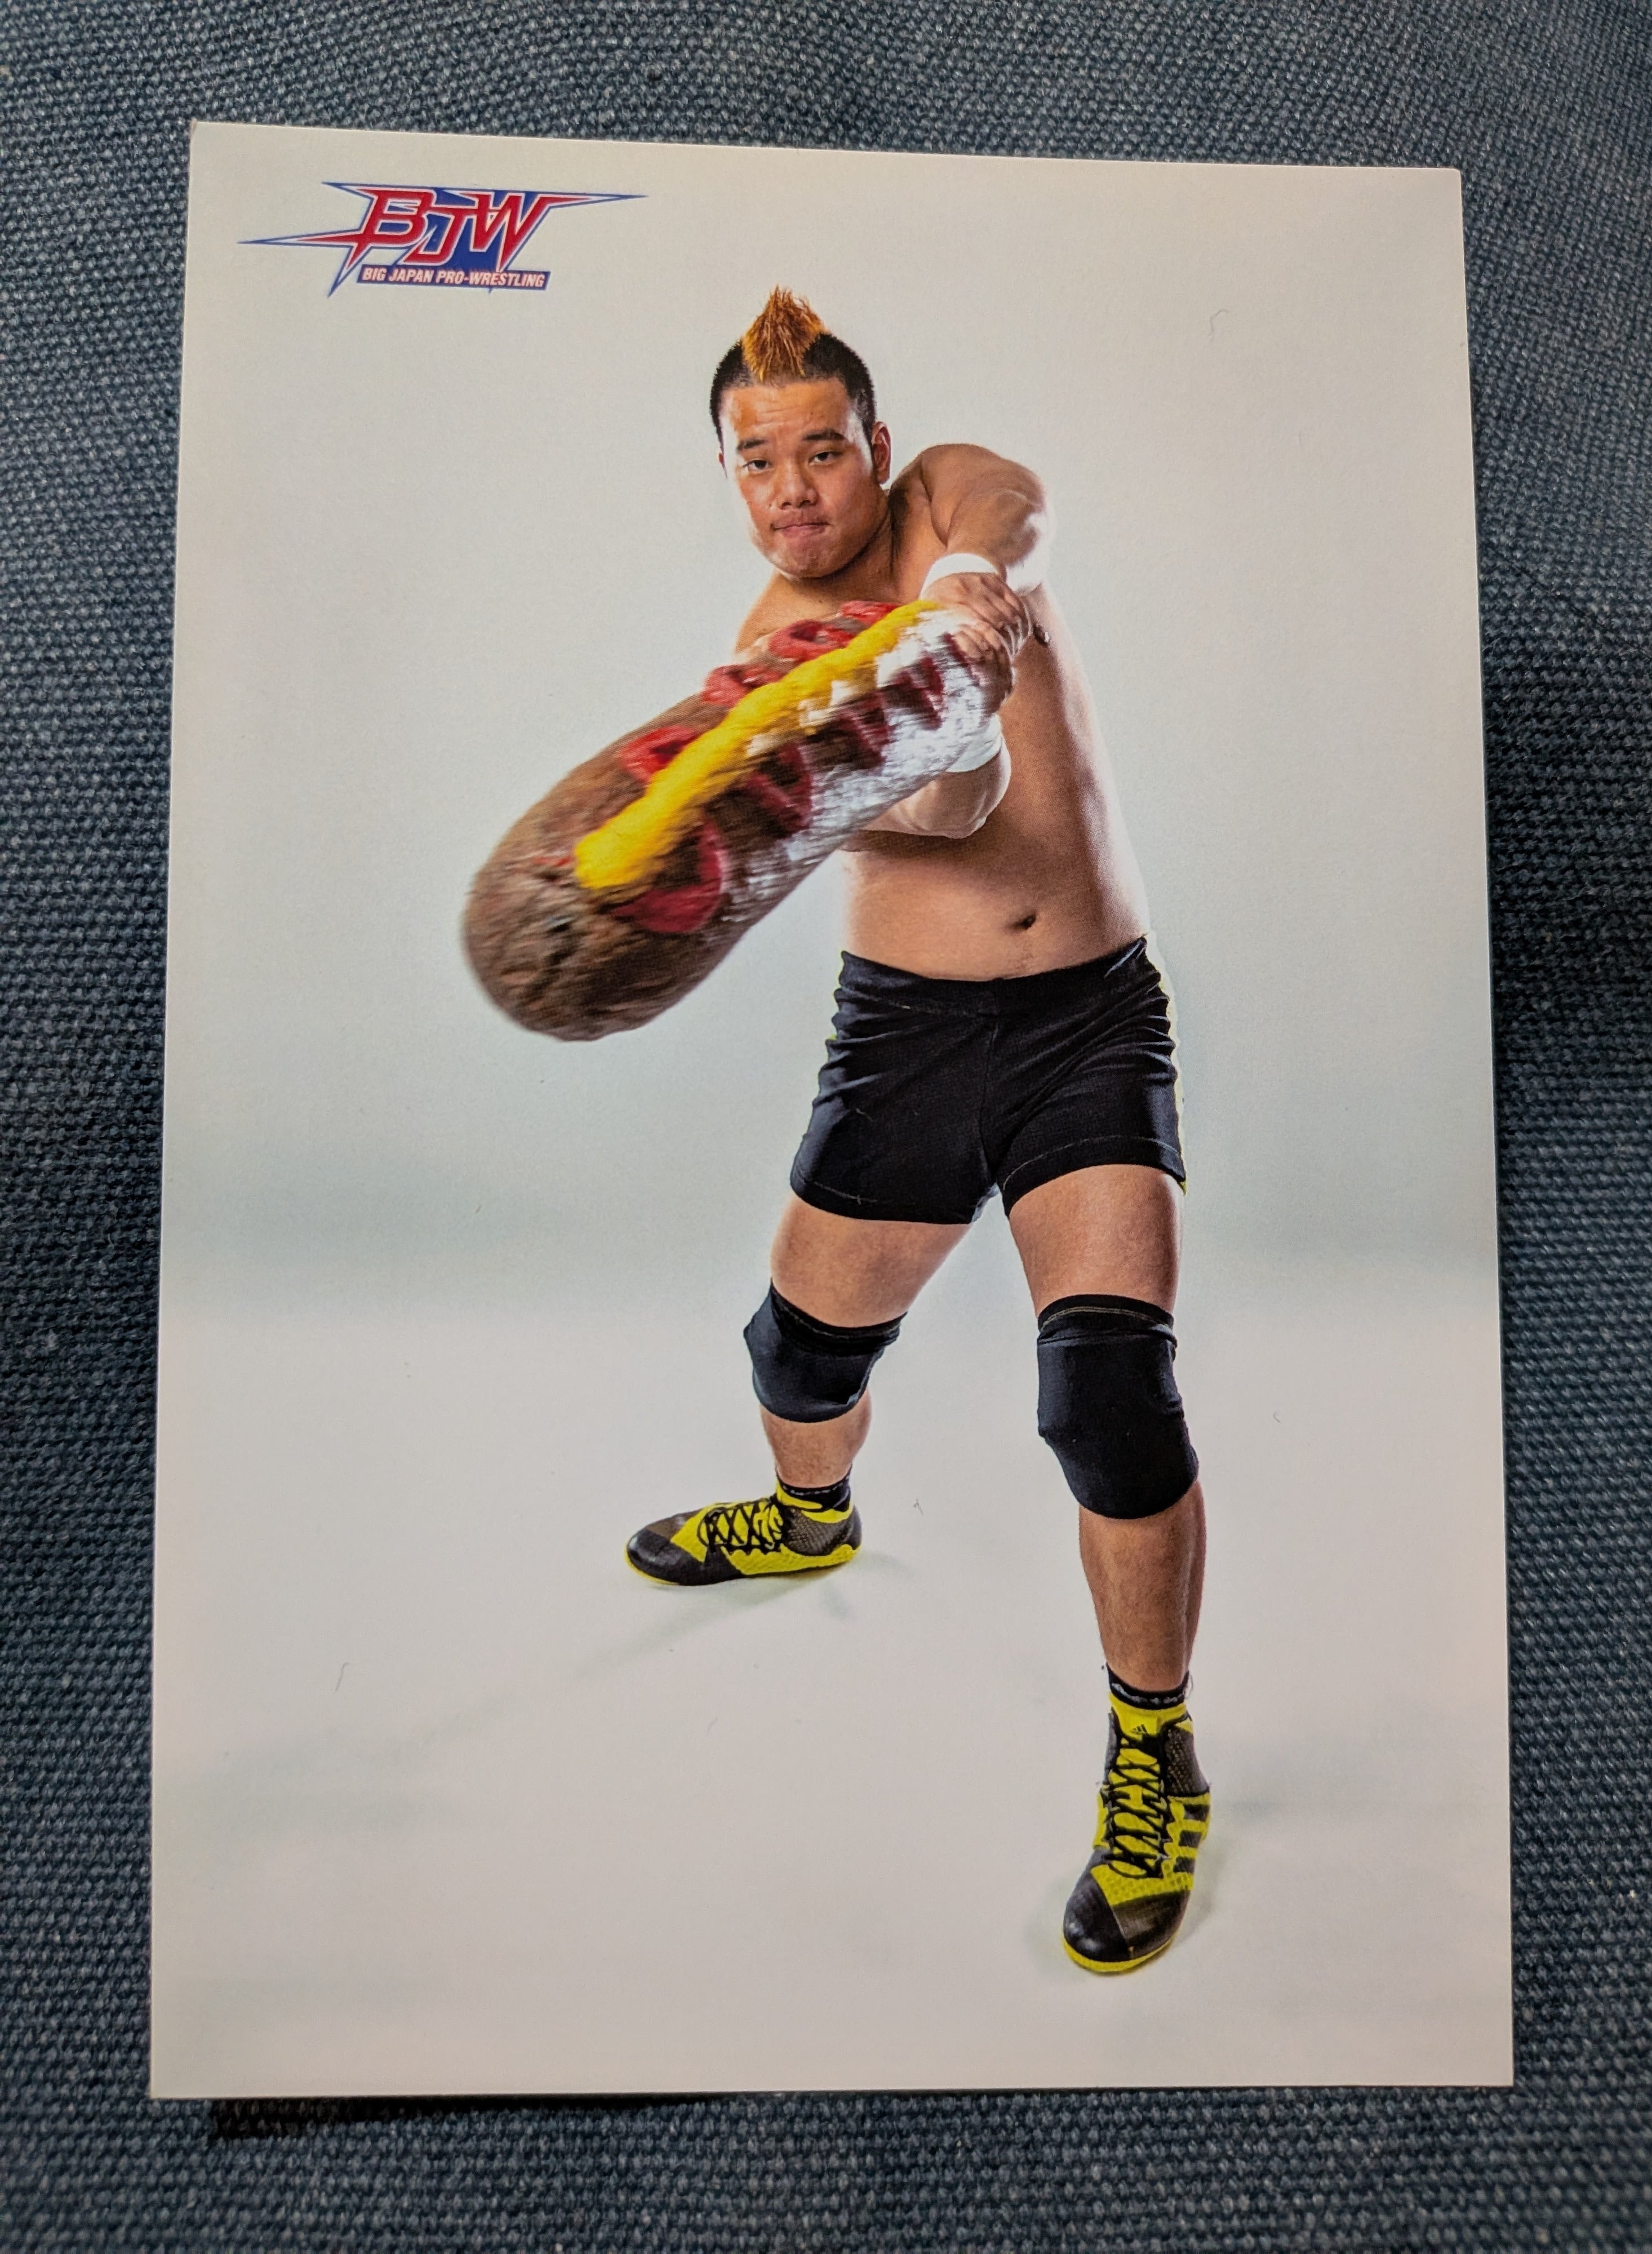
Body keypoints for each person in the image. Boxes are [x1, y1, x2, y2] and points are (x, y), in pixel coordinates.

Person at [625, 290, 1210, 1975]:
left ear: (873, 447)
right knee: (796, 1359)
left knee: (1108, 1394)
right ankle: (812, 1519)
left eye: (821, 449)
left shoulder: (947, 496)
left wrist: (960, 591)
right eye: (757, 462)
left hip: (1089, 1023)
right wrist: (926, 698)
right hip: (906, 1044)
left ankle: (1155, 1754)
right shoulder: (771, 654)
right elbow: (957, 801)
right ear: (730, 479)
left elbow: (1014, 501)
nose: (794, 487)